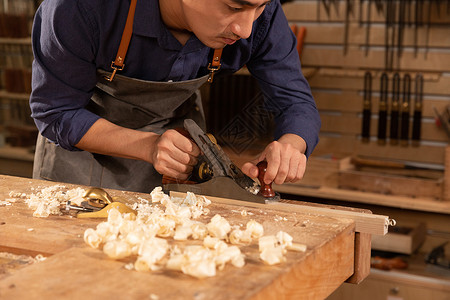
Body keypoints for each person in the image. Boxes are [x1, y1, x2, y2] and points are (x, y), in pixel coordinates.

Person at [30, 0, 321, 193]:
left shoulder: (258, 12)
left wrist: (291, 145)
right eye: (232, 6)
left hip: (180, 165)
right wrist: (148, 146)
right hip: (79, 165)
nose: (245, 30)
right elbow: (57, 112)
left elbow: (295, 101)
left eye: (258, 8)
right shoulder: (80, 6)